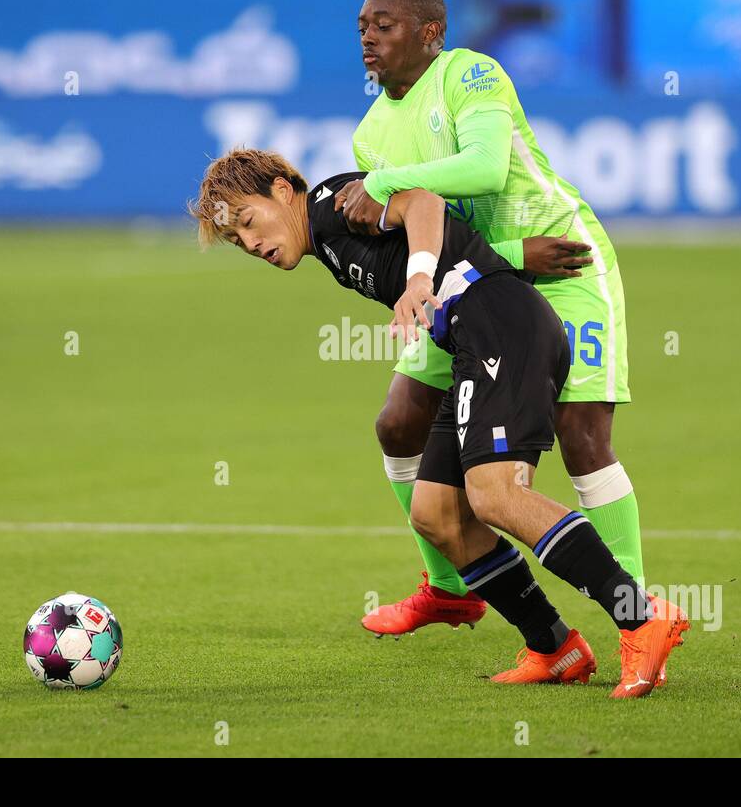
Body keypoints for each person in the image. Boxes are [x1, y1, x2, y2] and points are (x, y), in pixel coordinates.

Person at [189, 148, 689, 697]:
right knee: (436, 513)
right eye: (237, 241)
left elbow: (422, 202)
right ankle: (554, 646)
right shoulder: (326, 246)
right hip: (474, 346)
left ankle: (639, 617)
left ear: (283, 191)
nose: (251, 244)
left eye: (249, 222)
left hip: (505, 330)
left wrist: (420, 280)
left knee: (495, 496)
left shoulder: (332, 204)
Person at [336, 0, 661, 678]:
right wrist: (506, 257)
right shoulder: (371, 131)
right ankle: (450, 588)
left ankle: (637, 623)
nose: (368, 36)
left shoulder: (470, 72)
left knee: (582, 435)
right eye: (362, 25)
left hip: (565, 263)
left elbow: (484, 169)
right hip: (489, 278)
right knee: (398, 421)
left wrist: (390, 184)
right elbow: (429, 233)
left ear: (429, 33)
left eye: (385, 24)